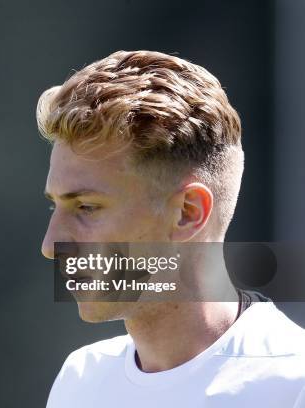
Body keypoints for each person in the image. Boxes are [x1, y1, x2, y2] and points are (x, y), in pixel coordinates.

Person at [37, 50, 305, 407]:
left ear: (188, 213)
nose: (51, 244)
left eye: (86, 206)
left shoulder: (291, 384)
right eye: (54, 206)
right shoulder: (81, 380)